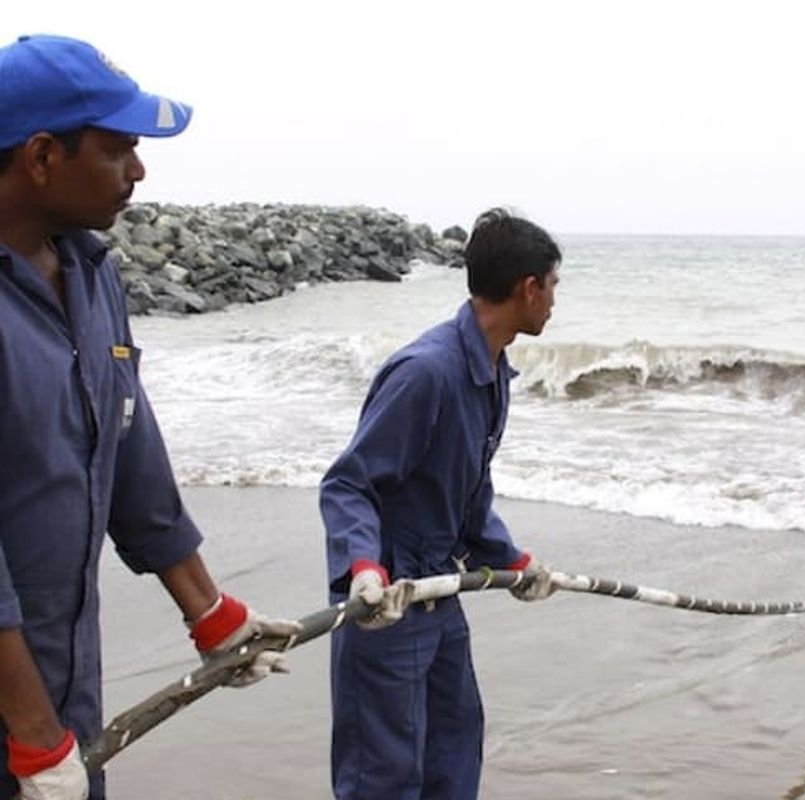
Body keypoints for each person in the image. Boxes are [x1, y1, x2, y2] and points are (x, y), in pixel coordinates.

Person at [0, 35, 299, 800]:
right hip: (23, 723)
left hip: (66, 696)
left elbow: (130, 454)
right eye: (120, 149)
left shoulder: (91, 276)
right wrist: (32, 739)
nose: (139, 171)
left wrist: (212, 612)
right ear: (41, 157)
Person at [321, 208, 560, 800]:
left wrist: (514, 561)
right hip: (389, 605)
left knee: (454, 758)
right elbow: (349, 484)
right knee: (384, 779)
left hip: (441, 594)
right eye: (553, 285)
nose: (555, 300)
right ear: (527, 288)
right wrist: (363, 568)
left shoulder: (493, 371)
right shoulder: (425, 373)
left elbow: (466, 496)